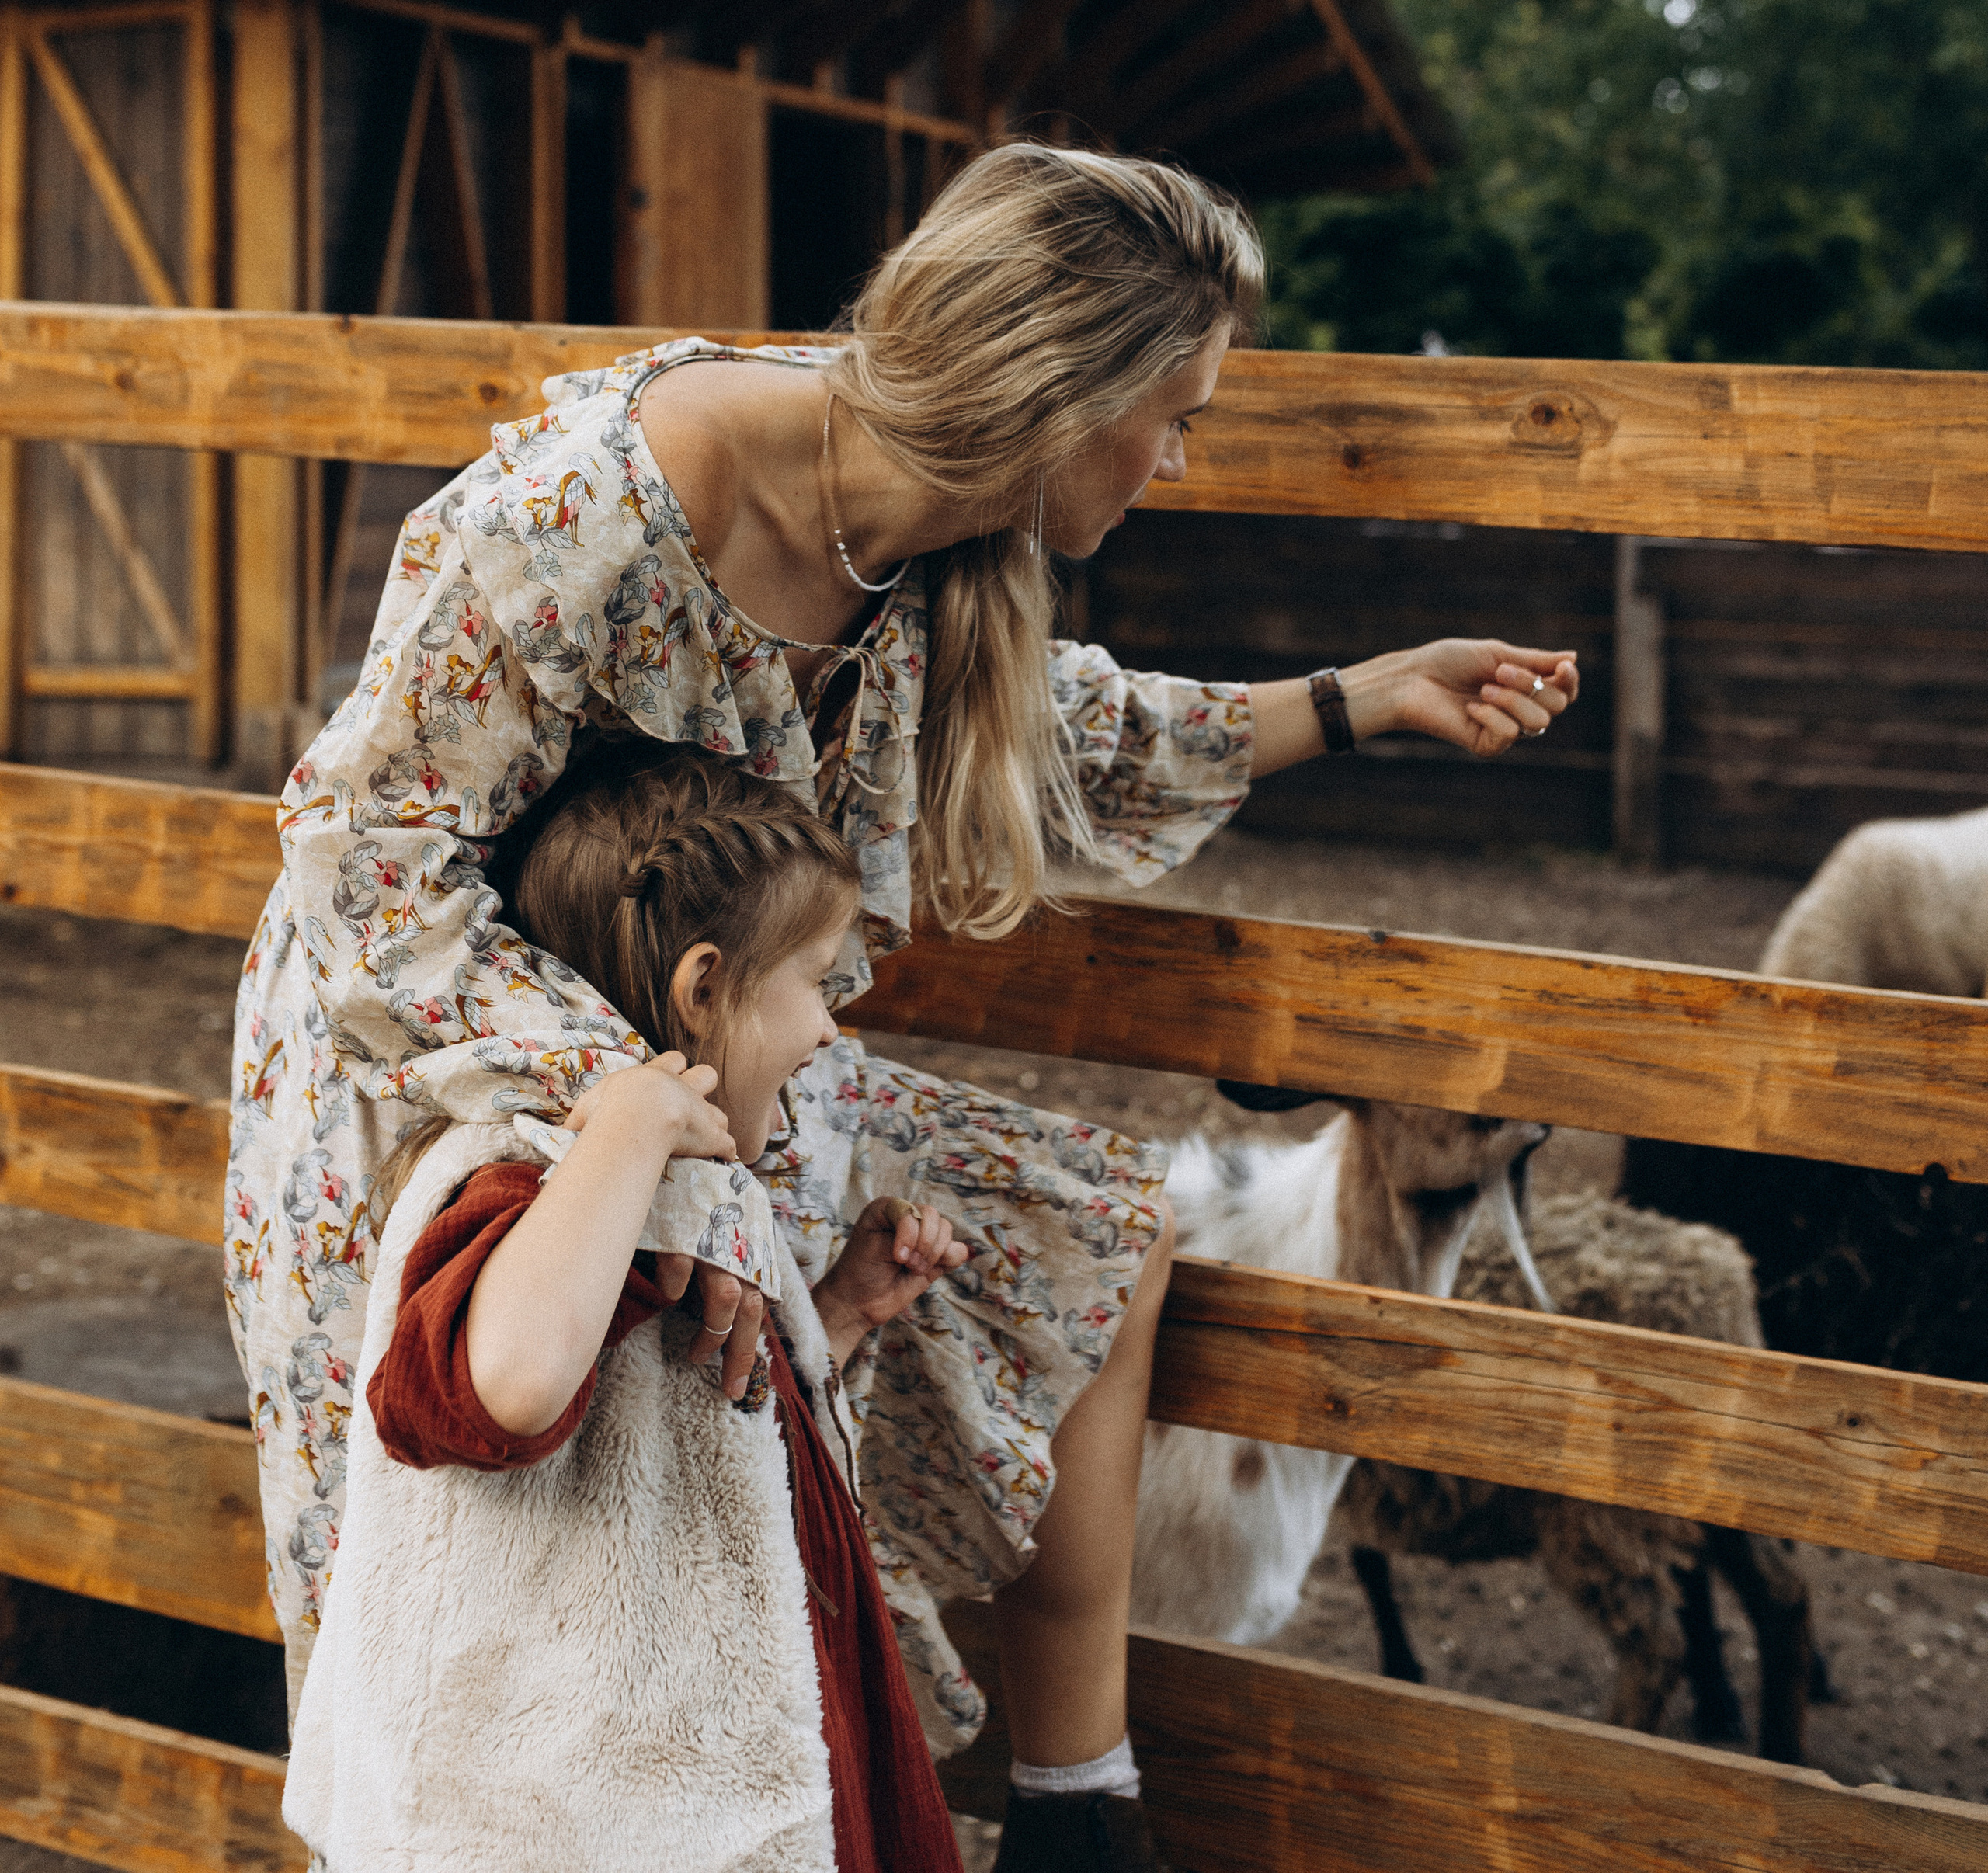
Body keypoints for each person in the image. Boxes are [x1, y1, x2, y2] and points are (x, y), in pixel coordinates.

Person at [229, 141, 1576, 1873]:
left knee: (1085, 1235)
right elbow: (370, 854)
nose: (1176, 459)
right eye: (1169, 416)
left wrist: (1356, 695)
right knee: (501, 1594)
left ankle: (1077, 1818)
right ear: (1053, 385)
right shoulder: (597, 507)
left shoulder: (944, 545)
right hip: (436, 1074)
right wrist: (654, 1147)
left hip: (716, 1073)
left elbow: (1075, 735)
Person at [283, 747, 967, 1873]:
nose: (830, 1028)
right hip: (577, 1826)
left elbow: (688, 1426)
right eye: (814, 977)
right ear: (704, 989)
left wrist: (837, 1312)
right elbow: (506, 1384)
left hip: (699, 1793)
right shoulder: (526, 1181)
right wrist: (628, 1130)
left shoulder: (685, 1206)